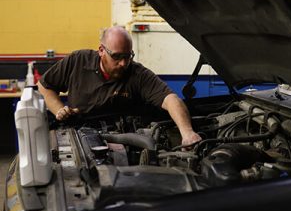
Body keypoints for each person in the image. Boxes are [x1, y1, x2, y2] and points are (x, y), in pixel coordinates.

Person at [37, 26, 202, 147]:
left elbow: (170, 99)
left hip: (122, 140)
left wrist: (187, 132)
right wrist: (59, 109)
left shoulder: (137, 74)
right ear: (101, 50)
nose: (123, 63)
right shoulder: (78, 61)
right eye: (117, 56)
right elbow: (44, 85)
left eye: (128, 56)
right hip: (79, 135)